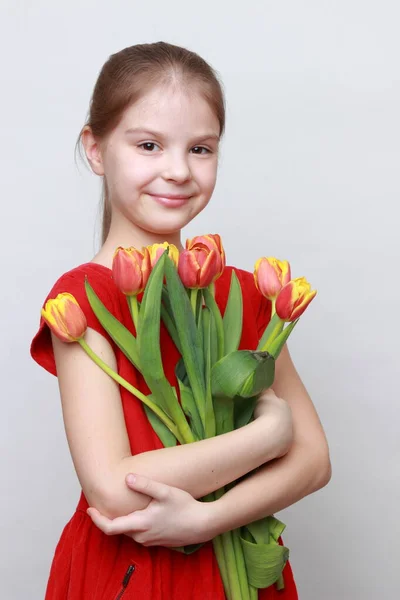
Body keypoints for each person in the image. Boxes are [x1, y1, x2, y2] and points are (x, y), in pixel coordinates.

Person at [30, 41, 331, 599]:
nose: (177, 171)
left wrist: (207, 520)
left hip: (235, 561)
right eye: (148, 145)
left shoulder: (243, 294)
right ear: (96, 150)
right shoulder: (82, 299)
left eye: (200, 148)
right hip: (131, 573)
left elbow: (314, 462)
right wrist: (271, 435)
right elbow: (114, 491)